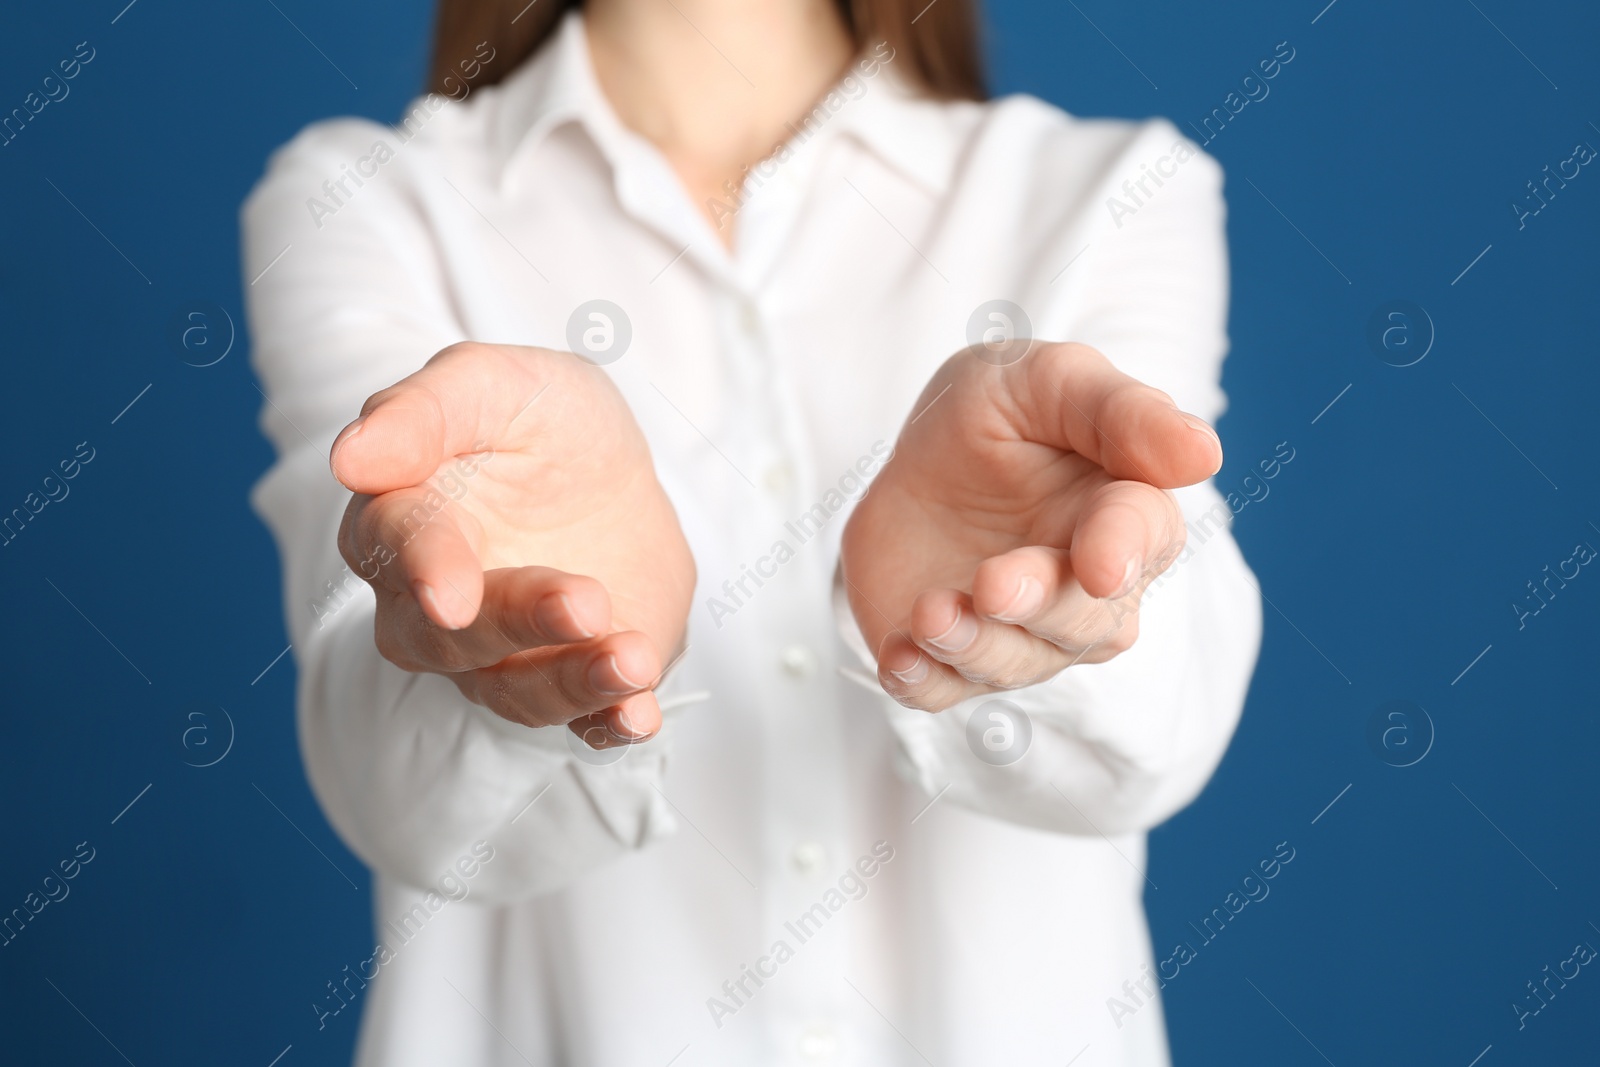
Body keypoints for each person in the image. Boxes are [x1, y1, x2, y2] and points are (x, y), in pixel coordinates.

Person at [245, 0, 1261, 1062]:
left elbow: (1160, 738)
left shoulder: (1108, 192)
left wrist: (1046, 606)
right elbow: (392, 795)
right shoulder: (370, 203)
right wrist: (536, 659)